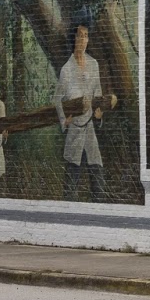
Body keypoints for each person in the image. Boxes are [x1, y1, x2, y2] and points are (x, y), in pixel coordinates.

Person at [54, 14, 106, 201]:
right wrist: (64, 120)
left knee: (98, 182)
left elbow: (98, 94)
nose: (83, 40)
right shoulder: (67, 69)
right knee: (71, 184)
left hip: (90, 130)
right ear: (74, 38)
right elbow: (57, 99)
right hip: (75, 131)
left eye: (86, 35)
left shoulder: (94, 65)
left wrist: (99, 114)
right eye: (80, 35)